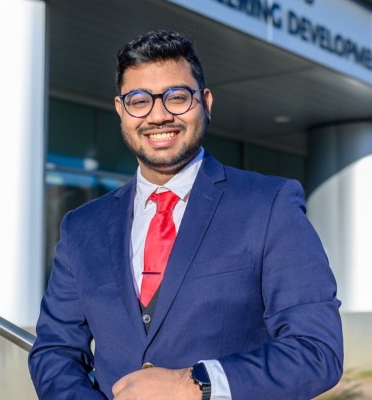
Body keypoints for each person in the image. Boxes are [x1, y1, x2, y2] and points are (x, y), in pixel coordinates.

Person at [28, 30, 343, 400]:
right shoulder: (82, 227)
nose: (159, 115)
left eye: (177, 97)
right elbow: (55, 350)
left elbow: (316, 350)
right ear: (121, 111)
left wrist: (192, 384)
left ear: (205, 103)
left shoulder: (269, 204)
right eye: (139, 100)